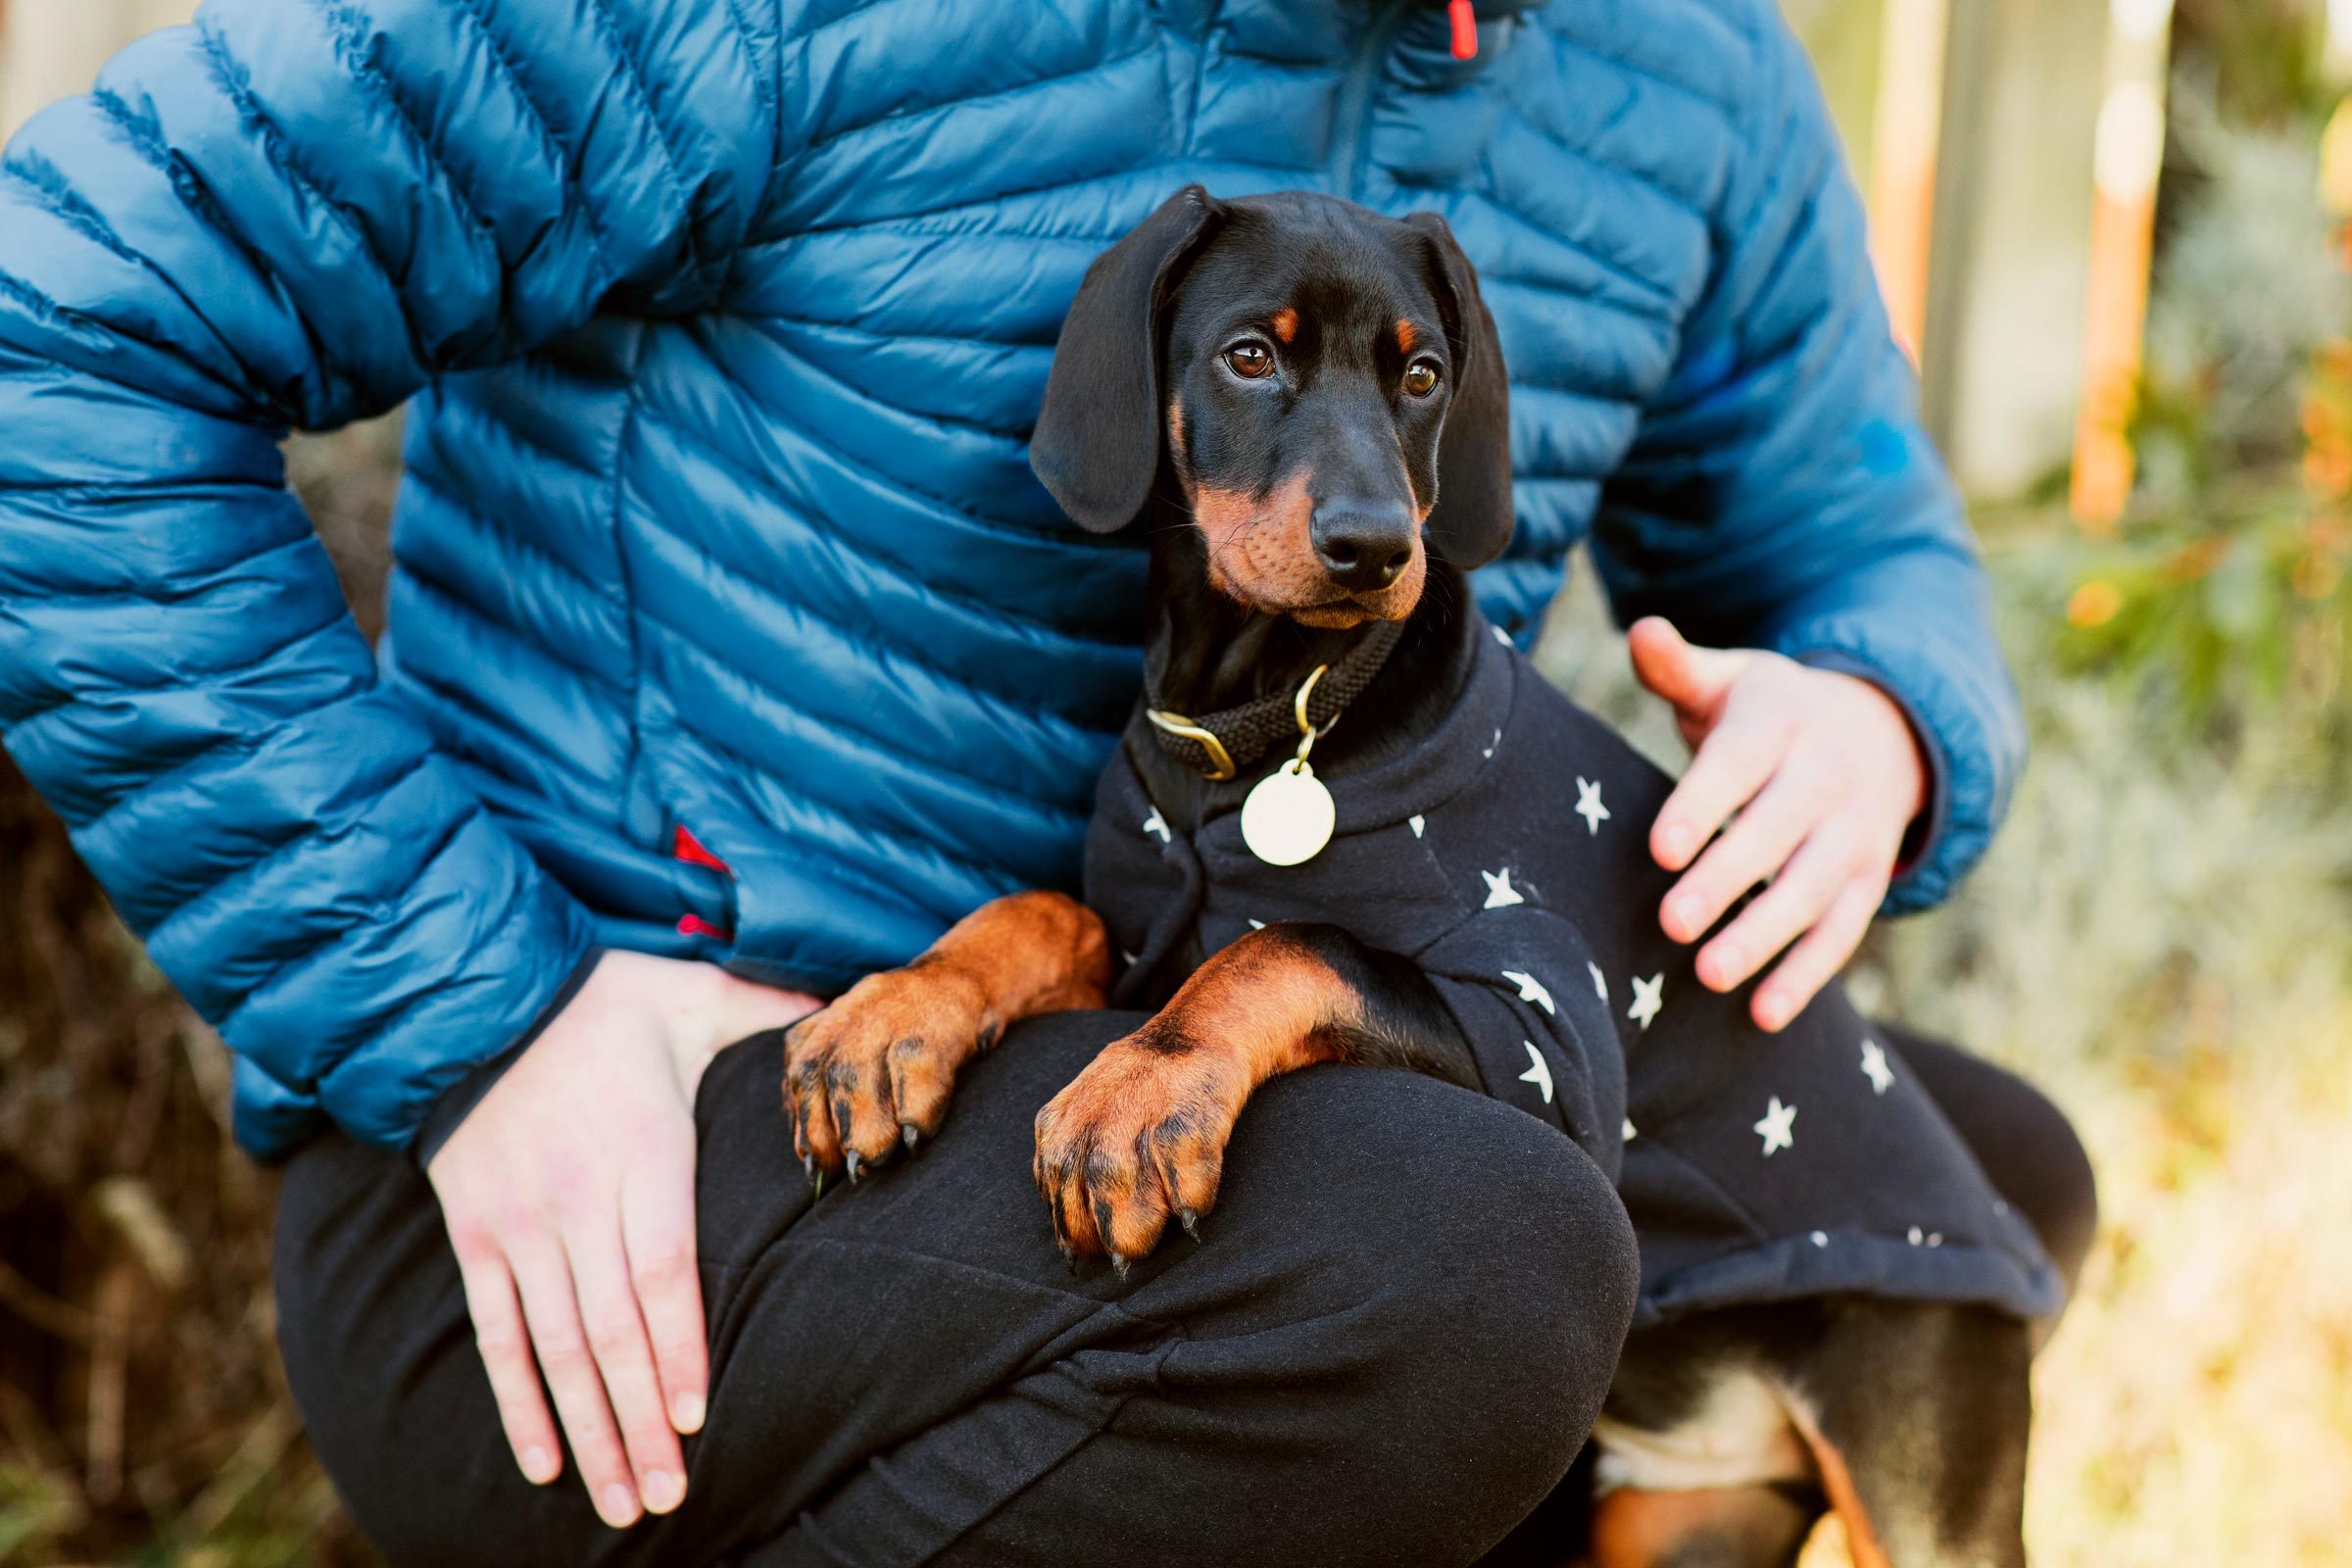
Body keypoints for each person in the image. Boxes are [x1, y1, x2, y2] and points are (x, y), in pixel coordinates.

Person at [0, 1, 2093, 1562]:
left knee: (1957, 1197)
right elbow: (53, 333)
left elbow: (1849, 536)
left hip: (1152, 1031)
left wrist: (1883, 711)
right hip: (612, 1144)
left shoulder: (1686, 68)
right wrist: (480, 1016)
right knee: (1471, 1267)